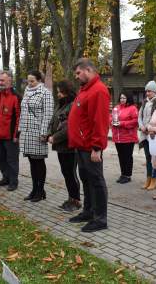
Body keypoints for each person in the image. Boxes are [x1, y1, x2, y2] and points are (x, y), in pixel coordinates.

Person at [67, 58, 110, 233]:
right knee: (86, 180)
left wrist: (97, 148)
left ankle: (100, 219)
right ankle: (89, 211)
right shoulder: (85, 90)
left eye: (78, 73)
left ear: (88, 70)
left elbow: (99, 121)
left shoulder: (98, 91)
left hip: (90, 147)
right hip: (81, 146)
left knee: (96, 182)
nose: (77, 77)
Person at [19, 70, 54, 202]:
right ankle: (34, 189)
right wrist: (20, 128)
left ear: (39, 80)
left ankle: (40, 191)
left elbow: (48, 114)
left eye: (32, 81)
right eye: (28, 81)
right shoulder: (27, 92)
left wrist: (43, 133)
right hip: (27, 133)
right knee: (32, 162)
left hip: (38, 133)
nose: (30, 83)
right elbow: (23, 112)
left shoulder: (45, 93)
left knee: (39, 162)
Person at [48, 80, 81, 212]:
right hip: (61, 147)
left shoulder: (72, 105)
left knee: (71, 174)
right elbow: (54, 122)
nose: (59, 94)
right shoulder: (61, 105)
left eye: (61, 92)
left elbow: (69, 128)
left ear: (67, 91)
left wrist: (54, 137)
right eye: (58, 92)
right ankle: (70, 198)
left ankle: (76, 200)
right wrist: (48, 134)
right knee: (66, 173)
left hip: (70, 147)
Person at [0, 71, 21, 191]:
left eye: (3, 80)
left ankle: (13, 182)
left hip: (11, 136)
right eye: (0, 80)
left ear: (10, 81)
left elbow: (19, 118)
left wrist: (16, 135)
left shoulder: (16, 97)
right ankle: (6, 178)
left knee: (12, 160)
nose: (0, 82)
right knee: (1, 158)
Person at [111, 91, 139, 184]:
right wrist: (111, 121)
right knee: (121, 156)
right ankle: (123, 174)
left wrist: (122, 123)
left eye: (124, 98)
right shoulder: (116, 108)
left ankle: (127, 175)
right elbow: (111, 118)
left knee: (127, 157)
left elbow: (135, 121)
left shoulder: (132, 108)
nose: (122, 100)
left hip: (128, 137)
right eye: (121, 98)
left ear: (128, 98)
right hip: (118, 137)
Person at [138, 81, 156, 190]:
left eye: (149, 91)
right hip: (144, 134)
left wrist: (148, 127)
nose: (147, 93)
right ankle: (148, 178)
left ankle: (154, 180)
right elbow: (140, 116)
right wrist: (141, 126)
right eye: (146, 91)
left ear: (155, 91)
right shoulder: (144, 102)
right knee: (147, 158)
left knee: (154, 159)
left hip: (153, 135)